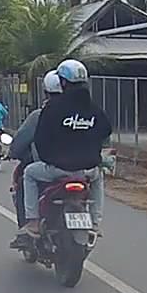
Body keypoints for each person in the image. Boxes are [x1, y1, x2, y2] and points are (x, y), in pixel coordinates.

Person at [19, 59, 111, 238]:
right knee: (98, 176)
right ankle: (95, 222)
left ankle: (33, 221)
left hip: (59, 168)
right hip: (87, 170)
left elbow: (40, 138)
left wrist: (50, 158)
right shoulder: (93, 108)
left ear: (63, 82)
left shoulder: (53, 107)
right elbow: (106, 130)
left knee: (29, 173)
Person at [8, 71, 64, 227]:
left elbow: (21, 140)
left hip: (51, 167)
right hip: (81, 168)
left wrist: (13, 152)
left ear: (46, 92)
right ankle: (95, 221)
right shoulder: (80, 113)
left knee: (27, 177)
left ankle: (29, 223)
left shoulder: (40, 115)